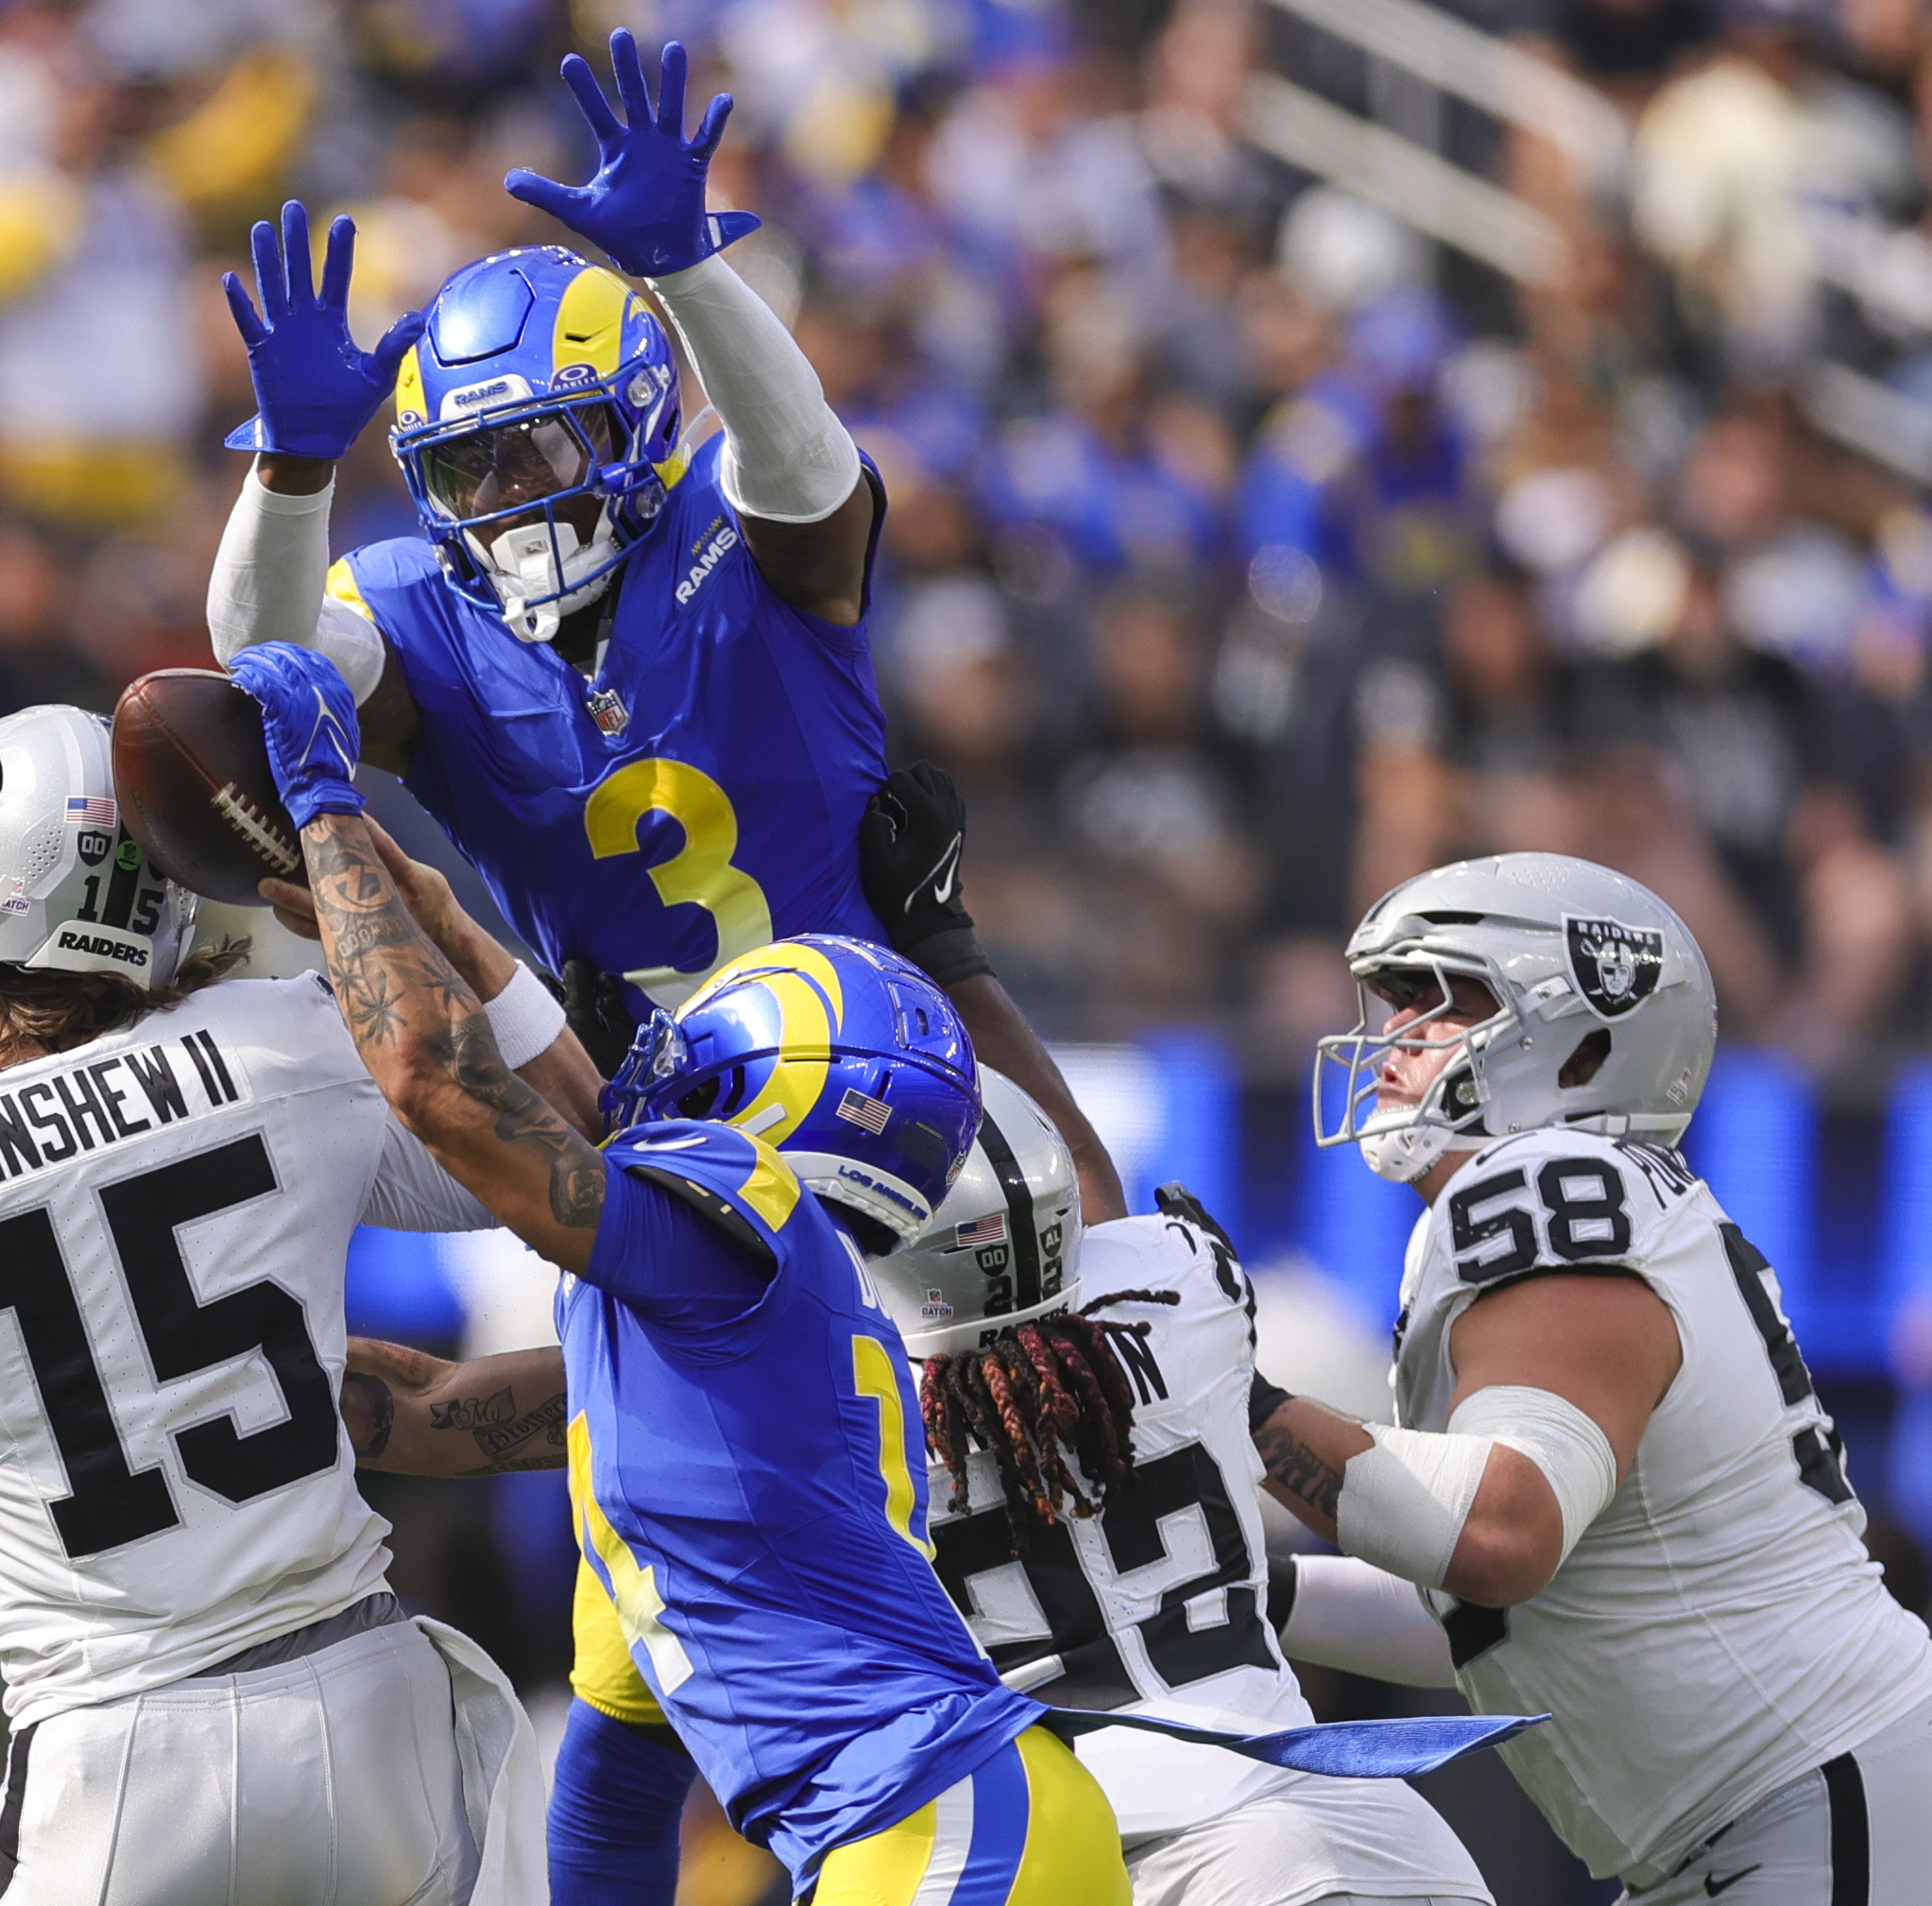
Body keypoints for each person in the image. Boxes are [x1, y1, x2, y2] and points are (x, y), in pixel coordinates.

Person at [230, 638, 1528, 1903]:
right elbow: (1073, 1188)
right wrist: (947, 948)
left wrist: (347, 822)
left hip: (1028, 1827)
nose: (658, 1104)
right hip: (1305, 1804)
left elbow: (474, 1179)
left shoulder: (781, 1329)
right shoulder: (1155, 1293)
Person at [204, 29, 1122, 1224]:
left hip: (882, 1079)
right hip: (649, 1136)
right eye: (466, 469)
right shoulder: (418, 608)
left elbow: (800, 456)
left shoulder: (733, 525)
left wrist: (690, 272)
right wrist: (289, 471)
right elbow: (256, 661)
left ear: (635, 419)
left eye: (535, 449)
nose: (505, 499)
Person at [0, 704, 557, 1905]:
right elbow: (557, 1155)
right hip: (373, 1707)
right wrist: (434, 927)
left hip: (119, 1753)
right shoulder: (289, 1041)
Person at [1252, 851, 1932, 1902]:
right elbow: (1498, 1622)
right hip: (1769, 1811)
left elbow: (1497, 1537)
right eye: (1392, 1003)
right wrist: (1239, 1586)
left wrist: (1221, 1405)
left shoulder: (1544, 1185)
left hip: (1806, 1792)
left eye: (1439, 1003)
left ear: (1578, 1051)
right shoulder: (1553, 1207)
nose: (1390, 1037)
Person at [891, 1099, 1490, 1906]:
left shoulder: (827, 1407)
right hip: (1368, 1822)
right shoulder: (1175, 1280)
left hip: (1106, 1855)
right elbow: (1082, 1204)